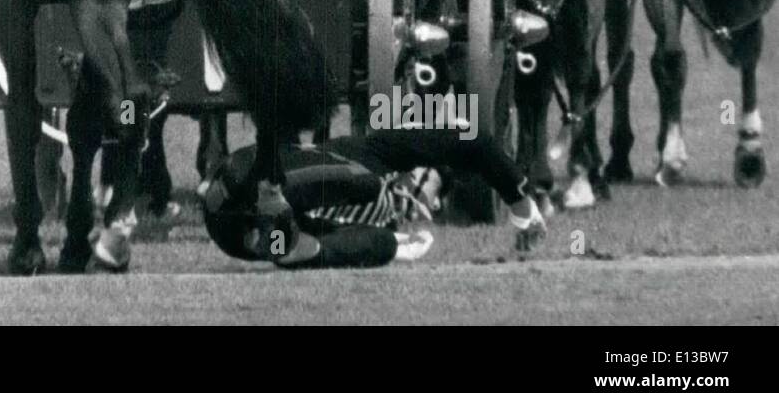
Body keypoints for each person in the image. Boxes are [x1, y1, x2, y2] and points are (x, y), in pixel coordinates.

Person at [203, 126, 547, 269]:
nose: (428, 200)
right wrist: (521, 204)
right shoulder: (371, 166)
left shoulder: (372, 165)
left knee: (301, 240)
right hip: (243, 196)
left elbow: (312, 240)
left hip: (236, 206)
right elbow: (474, 143)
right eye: (429, 186)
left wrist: (523, 208)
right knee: (360, 188)